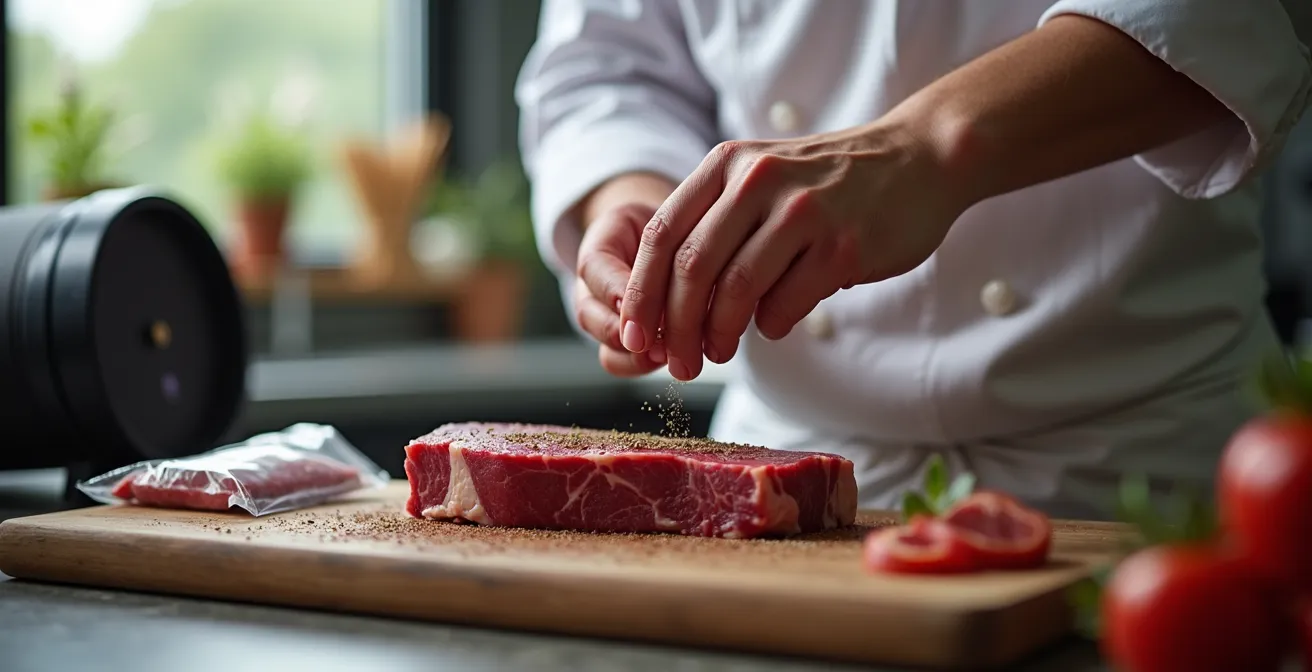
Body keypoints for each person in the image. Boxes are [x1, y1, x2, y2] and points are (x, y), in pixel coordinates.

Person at [515, 0, 1312, 519]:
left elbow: (1233, 18)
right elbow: (608, 63)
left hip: (1142, 474)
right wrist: (644, 204)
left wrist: (924, 149)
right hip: (784, 472)